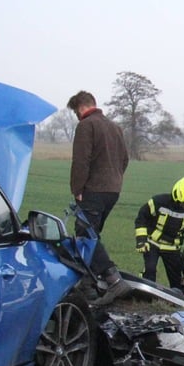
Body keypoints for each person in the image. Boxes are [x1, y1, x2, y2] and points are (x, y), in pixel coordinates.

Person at [67, 90, 130, 303]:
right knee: (92, 235)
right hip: (113, 190)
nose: (77, 116)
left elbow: (81, 161)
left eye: (76, 112)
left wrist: (77, 189)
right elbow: (125, 159)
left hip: (93, 189)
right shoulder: (115, 127)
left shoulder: (86, 126)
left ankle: (113, 280)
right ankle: (88, 286)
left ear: (80, 108)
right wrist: (115, 179)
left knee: (86, 236)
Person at [135, 177, 184, 292]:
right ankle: (144, 294)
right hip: (152, 243)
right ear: (176, 196)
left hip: (173, 248)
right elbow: (141, 218)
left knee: (176, 280)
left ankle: (179, 298)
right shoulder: (158, 202)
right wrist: (141, 240)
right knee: (150, 270)